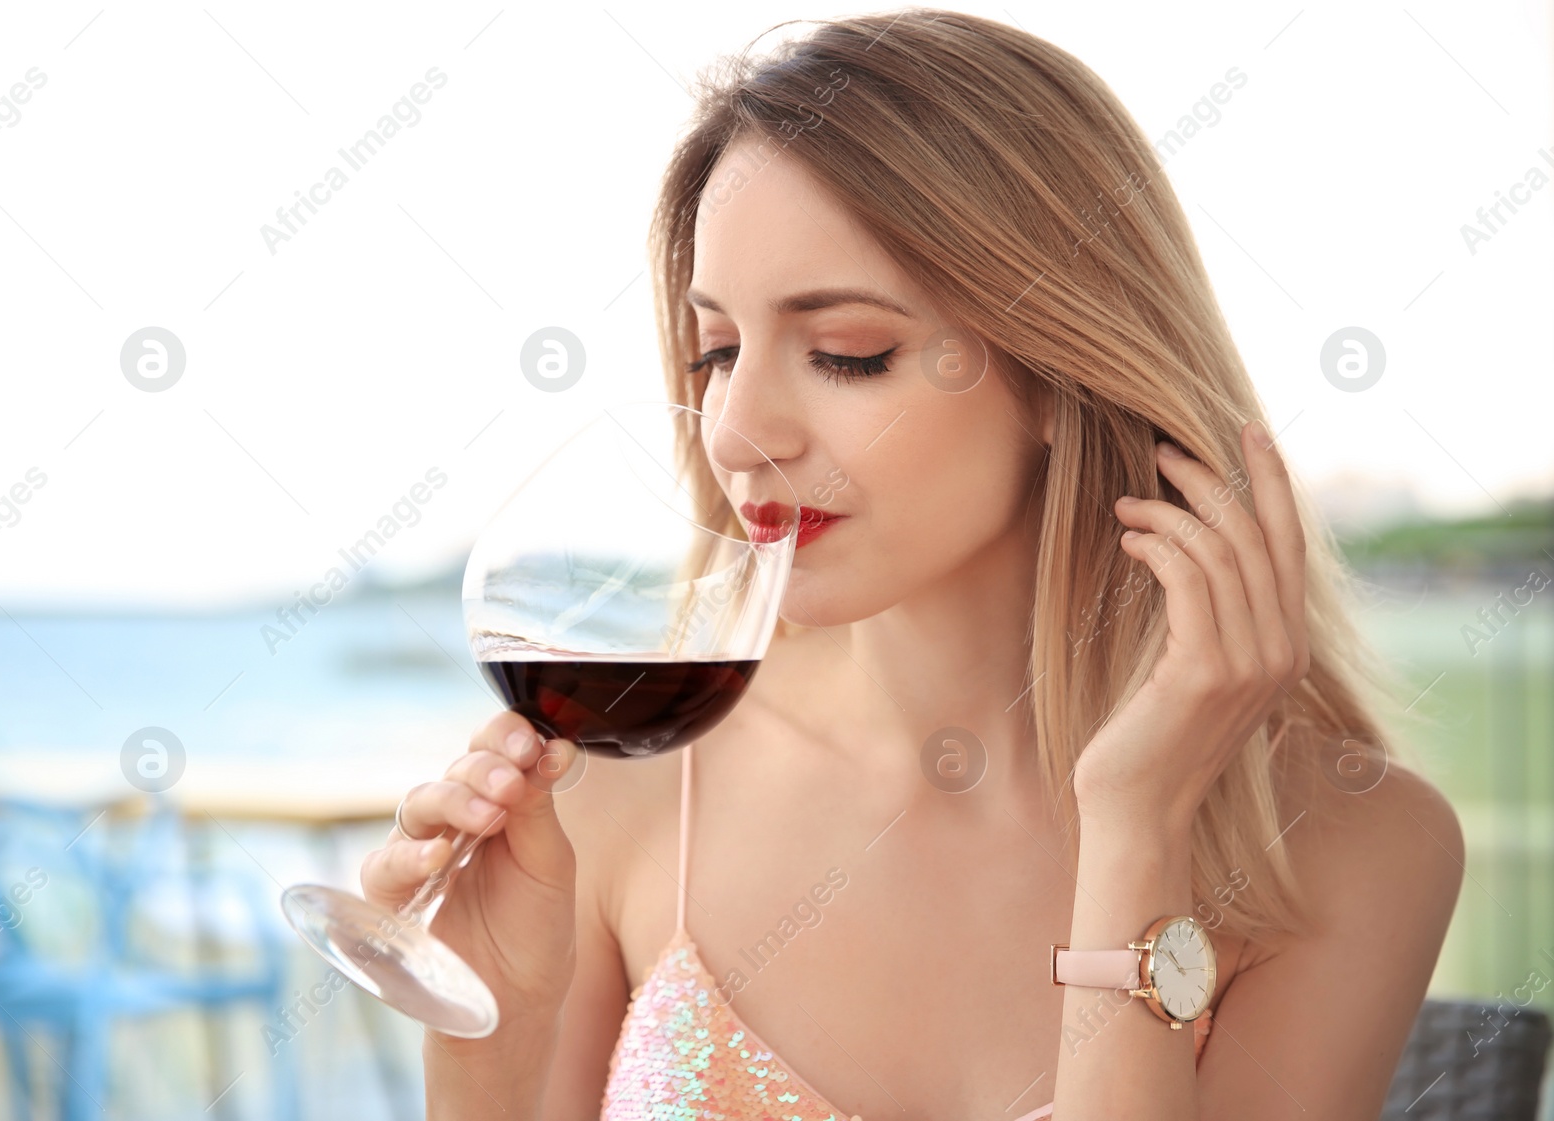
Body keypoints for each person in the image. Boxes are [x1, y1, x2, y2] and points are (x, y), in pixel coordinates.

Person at [360, 9, 1464, 1119]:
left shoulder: (1351, 848)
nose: (737, 432)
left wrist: (1136, 828)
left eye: (847, 353)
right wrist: (485, 1043)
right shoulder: (625, 790)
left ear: (1060, 369)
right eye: (717, 352)